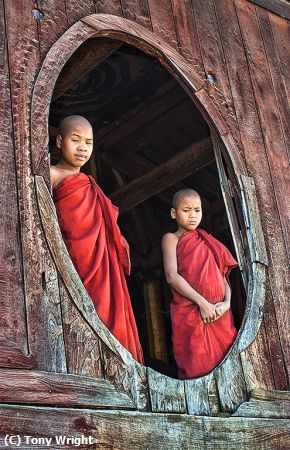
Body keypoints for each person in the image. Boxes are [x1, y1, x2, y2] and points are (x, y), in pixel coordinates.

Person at [50, 115, 143, 363]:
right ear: (60, 141)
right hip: (73, 261)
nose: (82, 148)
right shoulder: (50, 175)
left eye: (88, 142)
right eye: (75, 140)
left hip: (103, 265)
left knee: (111, 319)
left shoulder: (90, 186)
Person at [161, 189, 238, 379]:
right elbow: (172, 276)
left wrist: (227, 304)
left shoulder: (207, 241)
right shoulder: (171, 239)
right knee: (196, 361)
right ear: (174, 213)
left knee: (228, 362)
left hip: (219, 313)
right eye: (186, 210)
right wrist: (203, 304)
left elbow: (222, 277)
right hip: (193, 311)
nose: (193, 215)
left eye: (197, 210)